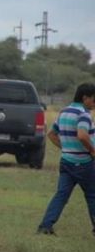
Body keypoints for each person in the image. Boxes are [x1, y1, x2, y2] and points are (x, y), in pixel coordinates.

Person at [36, 83, 95, 236]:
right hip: (84, 163)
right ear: (85, 98)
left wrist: (67, 147)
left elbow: (51, 134)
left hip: (66, 161)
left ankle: (45, 226)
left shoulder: (64, 112)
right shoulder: (83, 114)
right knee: (92, 195)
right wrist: (92, 151)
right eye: (94, 100)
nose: (94, 104)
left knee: (61, 195)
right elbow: (82, 135)